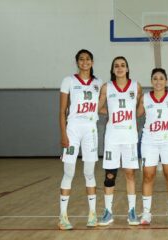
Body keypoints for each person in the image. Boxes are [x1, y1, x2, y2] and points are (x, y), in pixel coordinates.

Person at [58, 49, 103, 230]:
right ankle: (62, 217)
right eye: (81, 59)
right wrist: (63, 134)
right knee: (69, 172)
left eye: (88, 59)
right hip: (73, 130)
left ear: (92, 62)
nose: (85, 62)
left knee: (89, 172)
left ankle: (92, 215)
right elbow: (62, 111)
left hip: (91, 130)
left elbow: (102, 107)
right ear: (77, 62)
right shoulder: (68, 80)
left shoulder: (99, 83)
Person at [98, 56, 142, 226]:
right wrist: (109, 114)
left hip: (130, 137)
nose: (120, 68)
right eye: (116, 66)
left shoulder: (135, 86)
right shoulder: (106, 87)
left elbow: (139, 109)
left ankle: (132, 211)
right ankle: (108, 212)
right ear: (113, 69)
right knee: (110, 175)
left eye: (123, 65)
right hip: (112, 137)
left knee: (130, 174)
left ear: (128, 68)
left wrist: (128, 118)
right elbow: (97, 107)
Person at [137, 68, 168, 225]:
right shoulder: (145, 98)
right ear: (151, 81)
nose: (158, 81)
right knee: (148, 175)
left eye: (161, 78)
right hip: (149, 141)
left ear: (166, 80)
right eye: (155, 78)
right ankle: (147, 213)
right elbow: (136, 114)